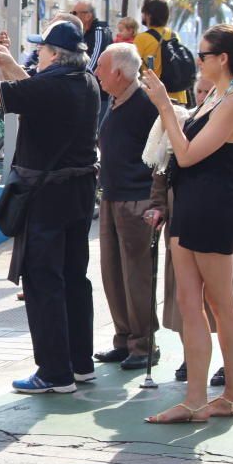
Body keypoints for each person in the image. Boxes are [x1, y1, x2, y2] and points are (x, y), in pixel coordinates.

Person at [0, 21, 100, 394]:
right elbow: (30, 86)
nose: (37, 53)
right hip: (78, 191)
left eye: (41, 49)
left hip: (48, 195)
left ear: (55, 55)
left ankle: (54, 372)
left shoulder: (51, 86)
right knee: (75, 278)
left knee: (44, 281)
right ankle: (80, 363)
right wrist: (8, 62)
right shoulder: (85, 82)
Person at [142, 24, 233, 423]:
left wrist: (163, 105)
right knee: (191, 303)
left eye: (204, 54)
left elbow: (188, 154)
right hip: (190, 204)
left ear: (222, 59)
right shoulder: (216, 99)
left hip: (212, 209)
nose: (198, 60)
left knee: (221, 303)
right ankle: (195, 399)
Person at [150, 125, 233, 387]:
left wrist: (231, 215)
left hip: (230, 237)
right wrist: (158, 207)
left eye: (209, 91)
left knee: (231, 302)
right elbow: (162, 177)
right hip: (185, 231)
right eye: (201, 93)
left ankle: (231, 367)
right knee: (188, 302)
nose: (206, 97)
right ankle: (191, 358)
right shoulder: (184, 131)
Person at [91, 43, 160, 370]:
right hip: (112, 195)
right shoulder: (115, 101)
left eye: (102, 68)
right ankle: (124, 338)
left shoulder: (145, 104)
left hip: (137, 198)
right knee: (112, 272)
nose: (98, 74)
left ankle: (144, 344)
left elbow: (163, 153)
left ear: (119, 72)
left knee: (137, 275)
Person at [134, 0, 188, 105]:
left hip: (155, 98)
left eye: (143, 12)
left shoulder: (141, 38)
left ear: (149, 15)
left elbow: (133, 68)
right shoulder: (174, 35)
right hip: (177, 96)